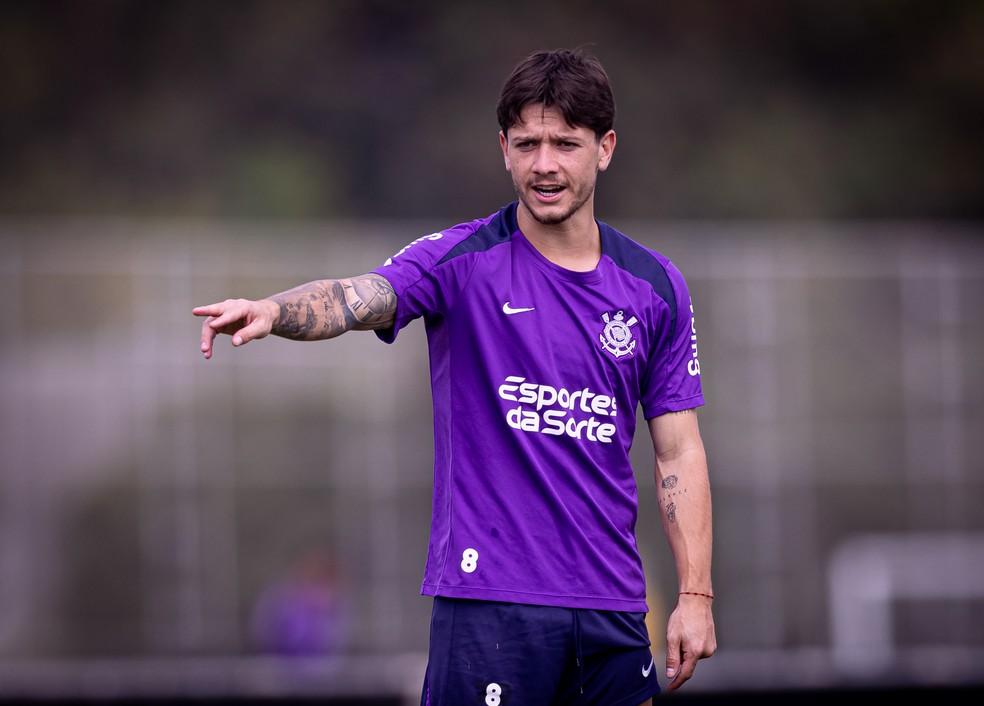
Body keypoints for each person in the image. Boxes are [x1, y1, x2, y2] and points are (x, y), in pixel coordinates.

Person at [194, 48, 716, 706]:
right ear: (503, 148)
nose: (544, 164)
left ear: (604, 148)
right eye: (527, 144)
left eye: (564, 143)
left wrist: (695, 595)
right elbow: (364, 296)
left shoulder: (654, 286)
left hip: (613, 606)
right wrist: (275, 310)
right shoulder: (461, 261)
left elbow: (679, 451)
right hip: (488, 605)